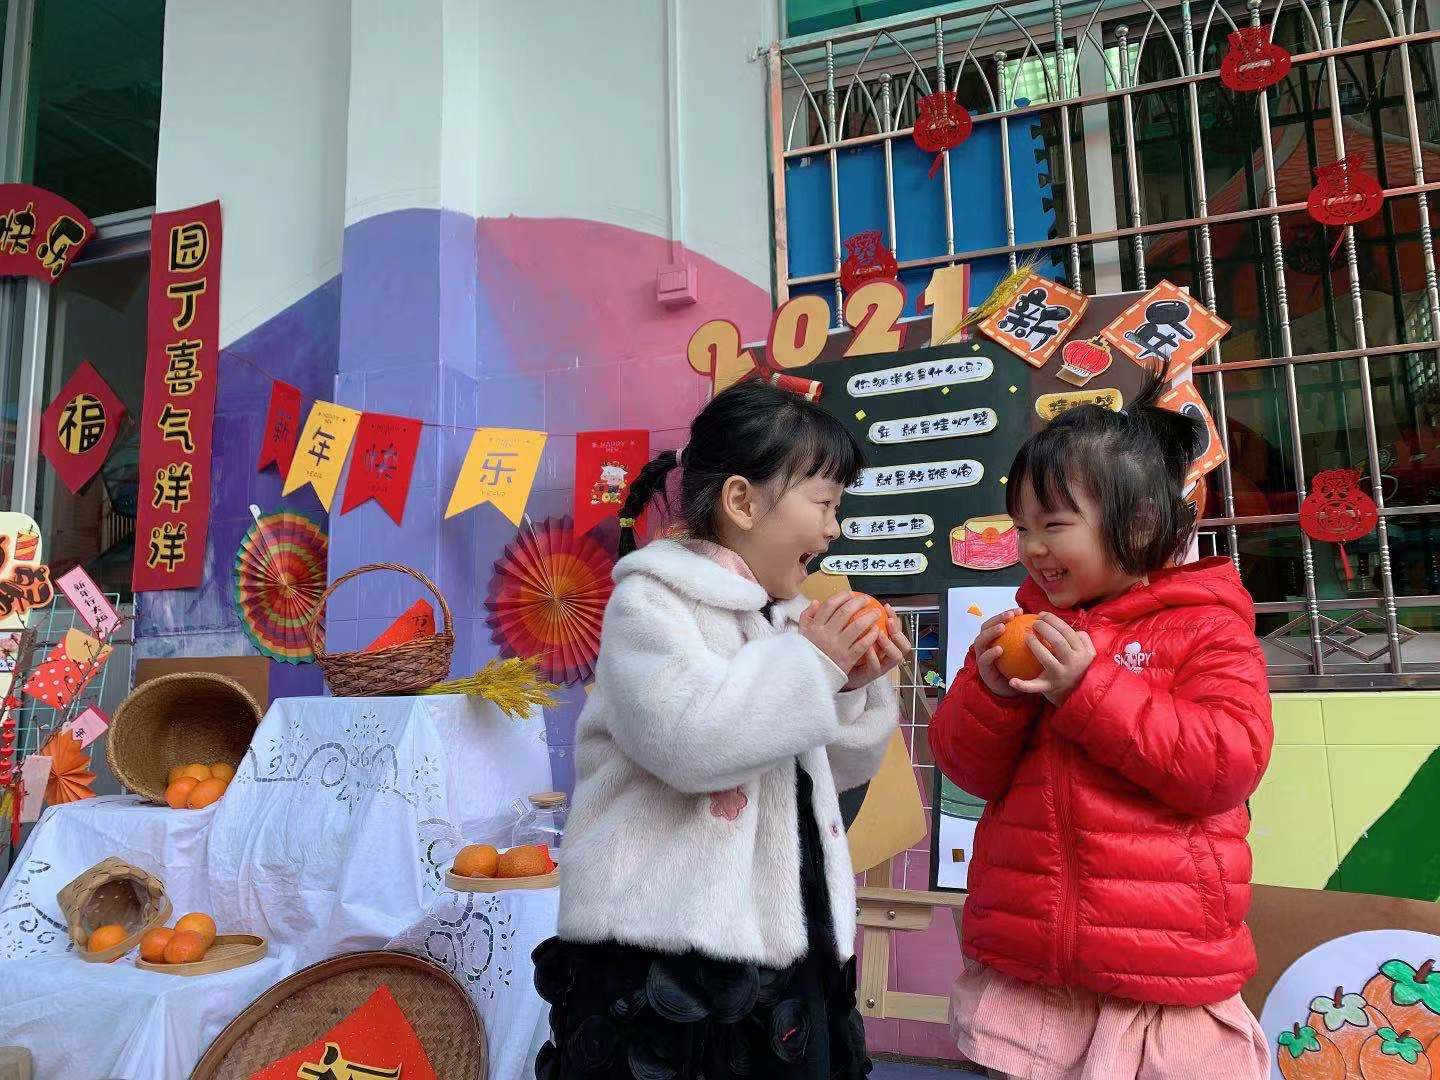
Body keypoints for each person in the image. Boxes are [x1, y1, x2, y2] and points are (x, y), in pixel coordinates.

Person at [534, 380, 909, 1080]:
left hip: (788, 948)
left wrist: (850, 687)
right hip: (670, 960)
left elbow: (828, 773)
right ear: (742, 502)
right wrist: (813, 666)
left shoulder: (786, 620)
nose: (834, 529)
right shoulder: (652, 604)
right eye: (824, 504)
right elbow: (691, 741)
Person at [932, 373, 1274, 1080]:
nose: (1032, 548)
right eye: (1022, 528)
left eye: (1054, 525)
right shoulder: (1024, 631)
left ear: (1139, 524)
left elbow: (1227, 764)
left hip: (1161, 972)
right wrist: (993, 696)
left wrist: (1089, 690)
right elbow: (967, 770)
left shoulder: (1206, 628)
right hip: (1031, 967)